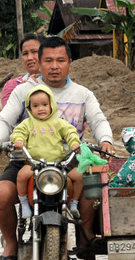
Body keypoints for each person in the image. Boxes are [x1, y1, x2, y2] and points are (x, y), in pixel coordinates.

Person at [0, 36, 117, 260]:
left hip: (69, 160)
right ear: (39, 63)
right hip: (28, 161)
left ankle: (88, 254)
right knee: (2, 193)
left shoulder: (83, 94)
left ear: (70, 63)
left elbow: (98, 120)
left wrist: (106, 139)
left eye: (60, 60)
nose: (55, 66)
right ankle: (11, 245)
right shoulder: (23, 91)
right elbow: (5, 119)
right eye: (49, 60)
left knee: (91, 190)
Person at [10, 84, 82, 222]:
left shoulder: (59, 122)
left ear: (52, 105)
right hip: (35, 163)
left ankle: (74, 203)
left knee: (79, 176)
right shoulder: (27, 123)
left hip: (60, 163)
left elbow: (70, 131)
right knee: (21, 176)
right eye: (35, 106)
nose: (41, 108)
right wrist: (19, 140)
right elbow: (18, 132)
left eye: (44, 104)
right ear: (30, 108)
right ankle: (24, 203)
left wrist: (74, 143)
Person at [1, 34, 42, 107]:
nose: (29, 58)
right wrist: (26, 89)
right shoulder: (12, 86)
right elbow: (9, 115)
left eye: (34, 51)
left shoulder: (57, 83)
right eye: (25, 53)